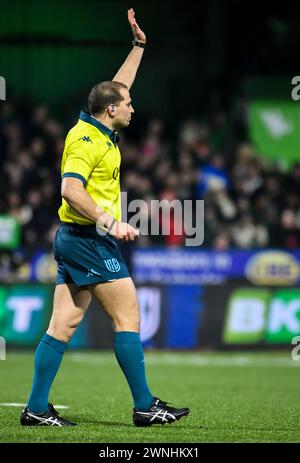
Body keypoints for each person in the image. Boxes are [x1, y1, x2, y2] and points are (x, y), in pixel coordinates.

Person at [20, 8, 190, 427]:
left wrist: (138, 47)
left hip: (75, 238)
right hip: (88, 239)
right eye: (128, 103)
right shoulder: (86, 143)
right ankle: (145, 406)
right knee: (128, 316)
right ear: (111, 111)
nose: (133, 106)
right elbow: (69, 189)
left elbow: (119, 86)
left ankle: (36, 409)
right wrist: (112, 223)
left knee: (63, 324)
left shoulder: (95, 124)